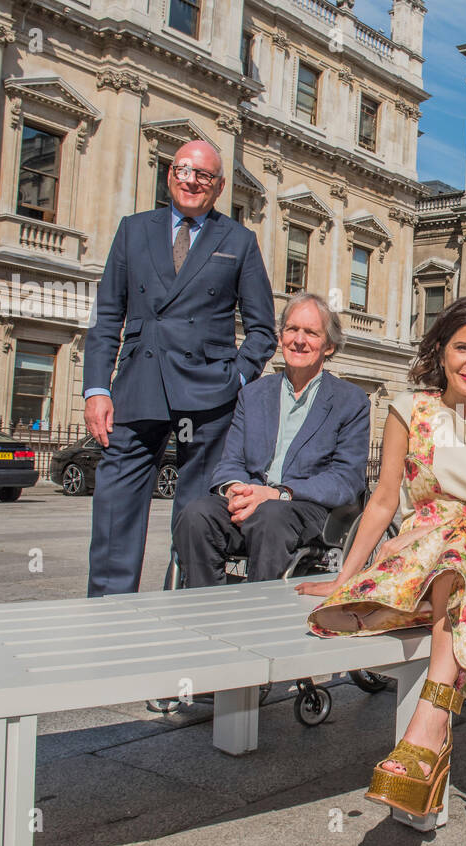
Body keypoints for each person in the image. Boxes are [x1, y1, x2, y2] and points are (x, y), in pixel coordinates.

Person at [298, 297, 466, 846]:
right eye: (462, 347)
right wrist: (344, 579)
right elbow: (381, 501)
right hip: (412, 572)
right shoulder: (408, 410)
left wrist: (442, 532)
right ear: (441, 351)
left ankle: (430, 728)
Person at [83, 139, 277, 597]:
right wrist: (96, 388)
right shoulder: (133, 230)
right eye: (183, 170)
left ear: (219, 186)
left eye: (204, 175)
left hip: (208, 395)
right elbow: (107, 315)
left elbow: (262, 329)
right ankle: (108, 611)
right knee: (115, 505)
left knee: (194, 511)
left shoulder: (239, 241)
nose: (192, 180)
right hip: (137, 387)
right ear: (170, 175)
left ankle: (188, 603)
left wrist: (238, 377)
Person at [171, 293, 369, 585]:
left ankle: (260, 614)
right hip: (251, 500)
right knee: (195, 514)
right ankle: (205, 607)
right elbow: (231, 461)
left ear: (328, 346)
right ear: (280, 337)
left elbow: (346, 479)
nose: (299, 340)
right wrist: (237, 490)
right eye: (292, 329)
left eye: (311, 333)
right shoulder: (253, 395)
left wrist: (280, 493)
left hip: (307, 509)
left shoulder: (350, 401)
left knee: (271, 516)